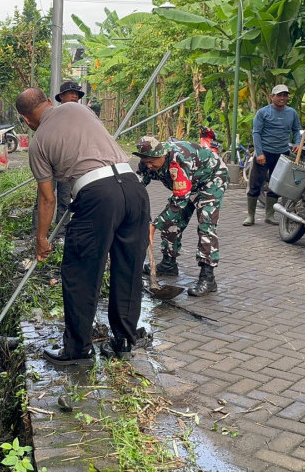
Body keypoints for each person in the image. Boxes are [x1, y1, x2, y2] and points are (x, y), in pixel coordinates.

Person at [16, 88, 150, 366]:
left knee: (80, 271)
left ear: (26, 119)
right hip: (133, 187)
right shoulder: (78, 109)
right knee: (128, 268)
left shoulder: (38, 142)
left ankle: (78, 350)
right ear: (49, 102)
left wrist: (41, 238)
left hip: (98, 196)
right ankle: (124, 341)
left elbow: (47, 197)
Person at [136, 136, 229, 297]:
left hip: (211, 179)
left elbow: (179, 201)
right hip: (188, 184)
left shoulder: (178, 161)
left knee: (206, 225)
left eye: (152, 161)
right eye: (146, 162)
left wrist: (153, 226)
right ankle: (168, 264)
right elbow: (137, 187)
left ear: (162, 155)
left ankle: (208, 278)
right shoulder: (147, 161)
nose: (149, 165)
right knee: (171, 221)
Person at [30, 81, 85, 238]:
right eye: (71, 93)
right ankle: (37, 234)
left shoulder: (81, 115)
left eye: (77, 94)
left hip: (68, 164)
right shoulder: (52, 114)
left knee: (65, 199)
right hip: (50, 162)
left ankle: (60, 234)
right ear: (61, 96)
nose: (75, 95)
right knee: (44, 197)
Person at [244, 84, 302, 226]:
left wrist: (297, 143)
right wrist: (259, 153)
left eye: (285, 95)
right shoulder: (263, 112)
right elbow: (256, 133)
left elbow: (297, 130)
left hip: (282, 154)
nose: (282, 98)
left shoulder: (292, 113)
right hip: (264, 153)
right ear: (272, 97)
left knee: (276, 185)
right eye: (279, 95)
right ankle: (250, 216)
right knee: (255, 184)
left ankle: (269, 215)